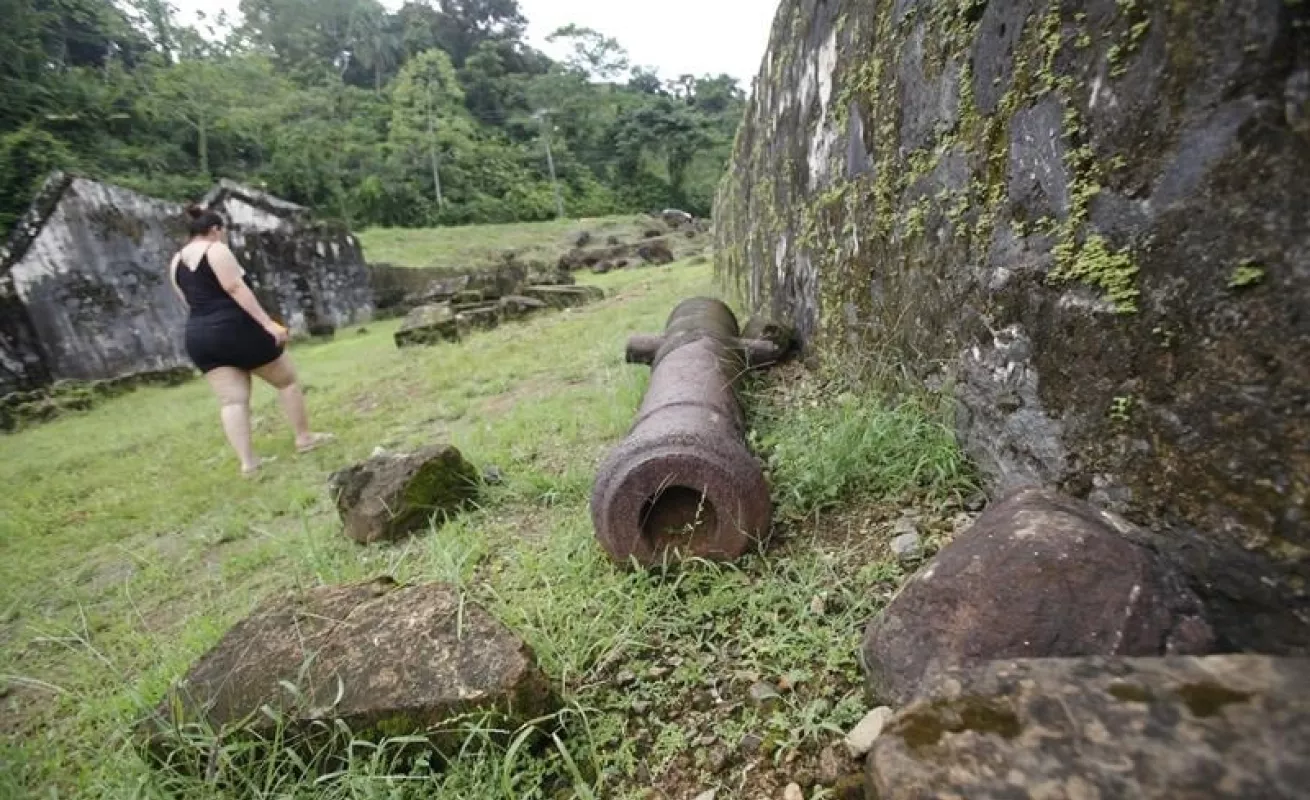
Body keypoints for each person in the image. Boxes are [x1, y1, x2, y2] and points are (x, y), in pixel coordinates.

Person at [168, 205, 332, 475]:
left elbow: (188, 301)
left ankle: (248, 463)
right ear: (215, 230)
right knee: (286, 380)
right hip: (235, 327)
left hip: (199, 335)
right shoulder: (216, 250)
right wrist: (268, 324)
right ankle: (304, 438)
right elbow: (235, 288)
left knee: (232, 401)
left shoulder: (176, 262)